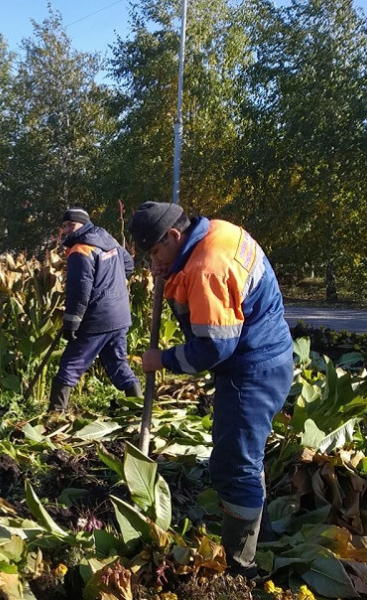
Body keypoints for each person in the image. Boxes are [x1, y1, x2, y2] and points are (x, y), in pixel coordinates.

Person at [128, 202, 293, 580]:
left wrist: (162, 360)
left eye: (155, 250)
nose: (155, 258)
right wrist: (168, 271)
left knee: (234, 464)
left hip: (251, 370)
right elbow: (206, 302)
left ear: (173, 235)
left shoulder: (207, 268)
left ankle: (241, 566)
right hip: (269, 354)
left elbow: (213, 347)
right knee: (245, 456)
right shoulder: (218, 232)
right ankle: (258, 532)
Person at [48, 208, 142, 412]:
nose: (66, 230)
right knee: (117, 363)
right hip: (120, 315)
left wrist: (71, 323)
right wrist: (111, 284)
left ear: (83, 224)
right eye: (64, 226)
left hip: (97, 319)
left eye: (71, 225)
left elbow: (78, 290)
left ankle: (55, 415)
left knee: (70, 365)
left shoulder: (81, 250)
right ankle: (139, 410)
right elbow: (128, 265)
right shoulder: (108, 240)